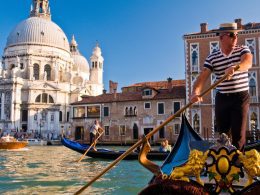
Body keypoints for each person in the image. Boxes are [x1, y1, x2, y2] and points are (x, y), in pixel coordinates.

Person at [190, 23, 252, 151]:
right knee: (223, 135)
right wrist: (195, 92)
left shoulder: (242, 49)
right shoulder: (213, 57)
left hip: (240, 97)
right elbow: (203, 76)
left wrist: (236, 67)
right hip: (222, 98)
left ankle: (237, 165)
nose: (235, 37)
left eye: (236, 34)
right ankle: (223, 163)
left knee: (238, 135)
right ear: (221, 37)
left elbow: (248, 62)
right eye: (231, 35)